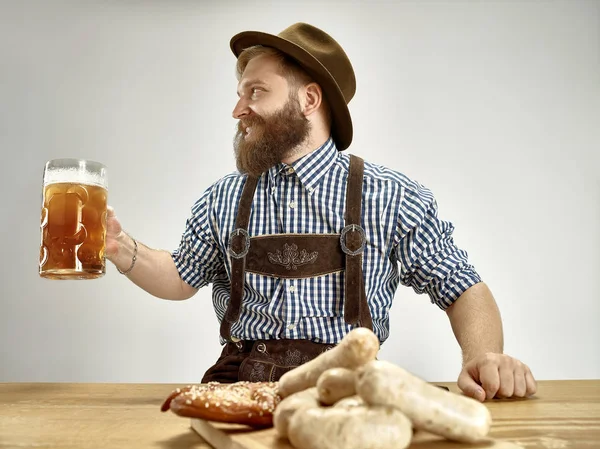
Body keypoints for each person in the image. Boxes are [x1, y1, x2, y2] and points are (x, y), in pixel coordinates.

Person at [106, 23, 536, 402]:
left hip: (347, 390)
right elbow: (181, 277)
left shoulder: (391, 196)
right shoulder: (223, 198)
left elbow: (461, 286)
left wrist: (484, 358)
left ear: (309, 99)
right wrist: (121, 247)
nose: (238, 110)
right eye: (240, 94)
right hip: (239, 384)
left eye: (256, 91)